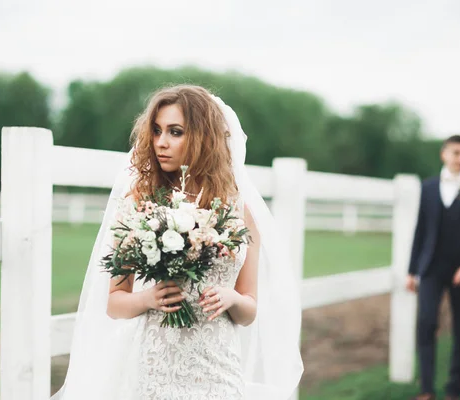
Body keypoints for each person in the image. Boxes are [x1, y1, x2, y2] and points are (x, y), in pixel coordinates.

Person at [52, 85, 303, 400]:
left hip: (220, 369)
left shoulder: (240, 212)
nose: (161, 142)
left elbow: (249, 309)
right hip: (156, 367)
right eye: (156, 131)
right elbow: (115, 302)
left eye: (175, 132)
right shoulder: (139, 205)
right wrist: (149, 299)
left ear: (202, 137)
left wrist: (232, 299)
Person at [407, 135, 460, 400]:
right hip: (431, 267)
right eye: (457, 153)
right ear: (444, 154)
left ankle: (454, 390)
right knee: (426, 322)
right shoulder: (429, 187)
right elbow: (420, 230)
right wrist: (413, 270)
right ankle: (427, 389)